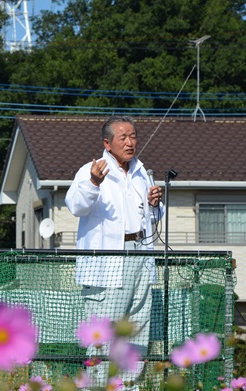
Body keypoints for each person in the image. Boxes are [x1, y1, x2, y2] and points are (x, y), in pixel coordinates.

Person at [65, 116, 164, 389]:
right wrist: (93, 183)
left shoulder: (142, 172)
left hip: (141, 253)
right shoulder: (91, 169)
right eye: (123, 137)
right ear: (107, 143)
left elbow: (151, 218)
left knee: (137, 325)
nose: (130, 142)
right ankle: (98, 386)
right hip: (109, 259)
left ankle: (129, 385)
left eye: (133, 136)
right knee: (104, 333)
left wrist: (155, 204)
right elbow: (75, 205)